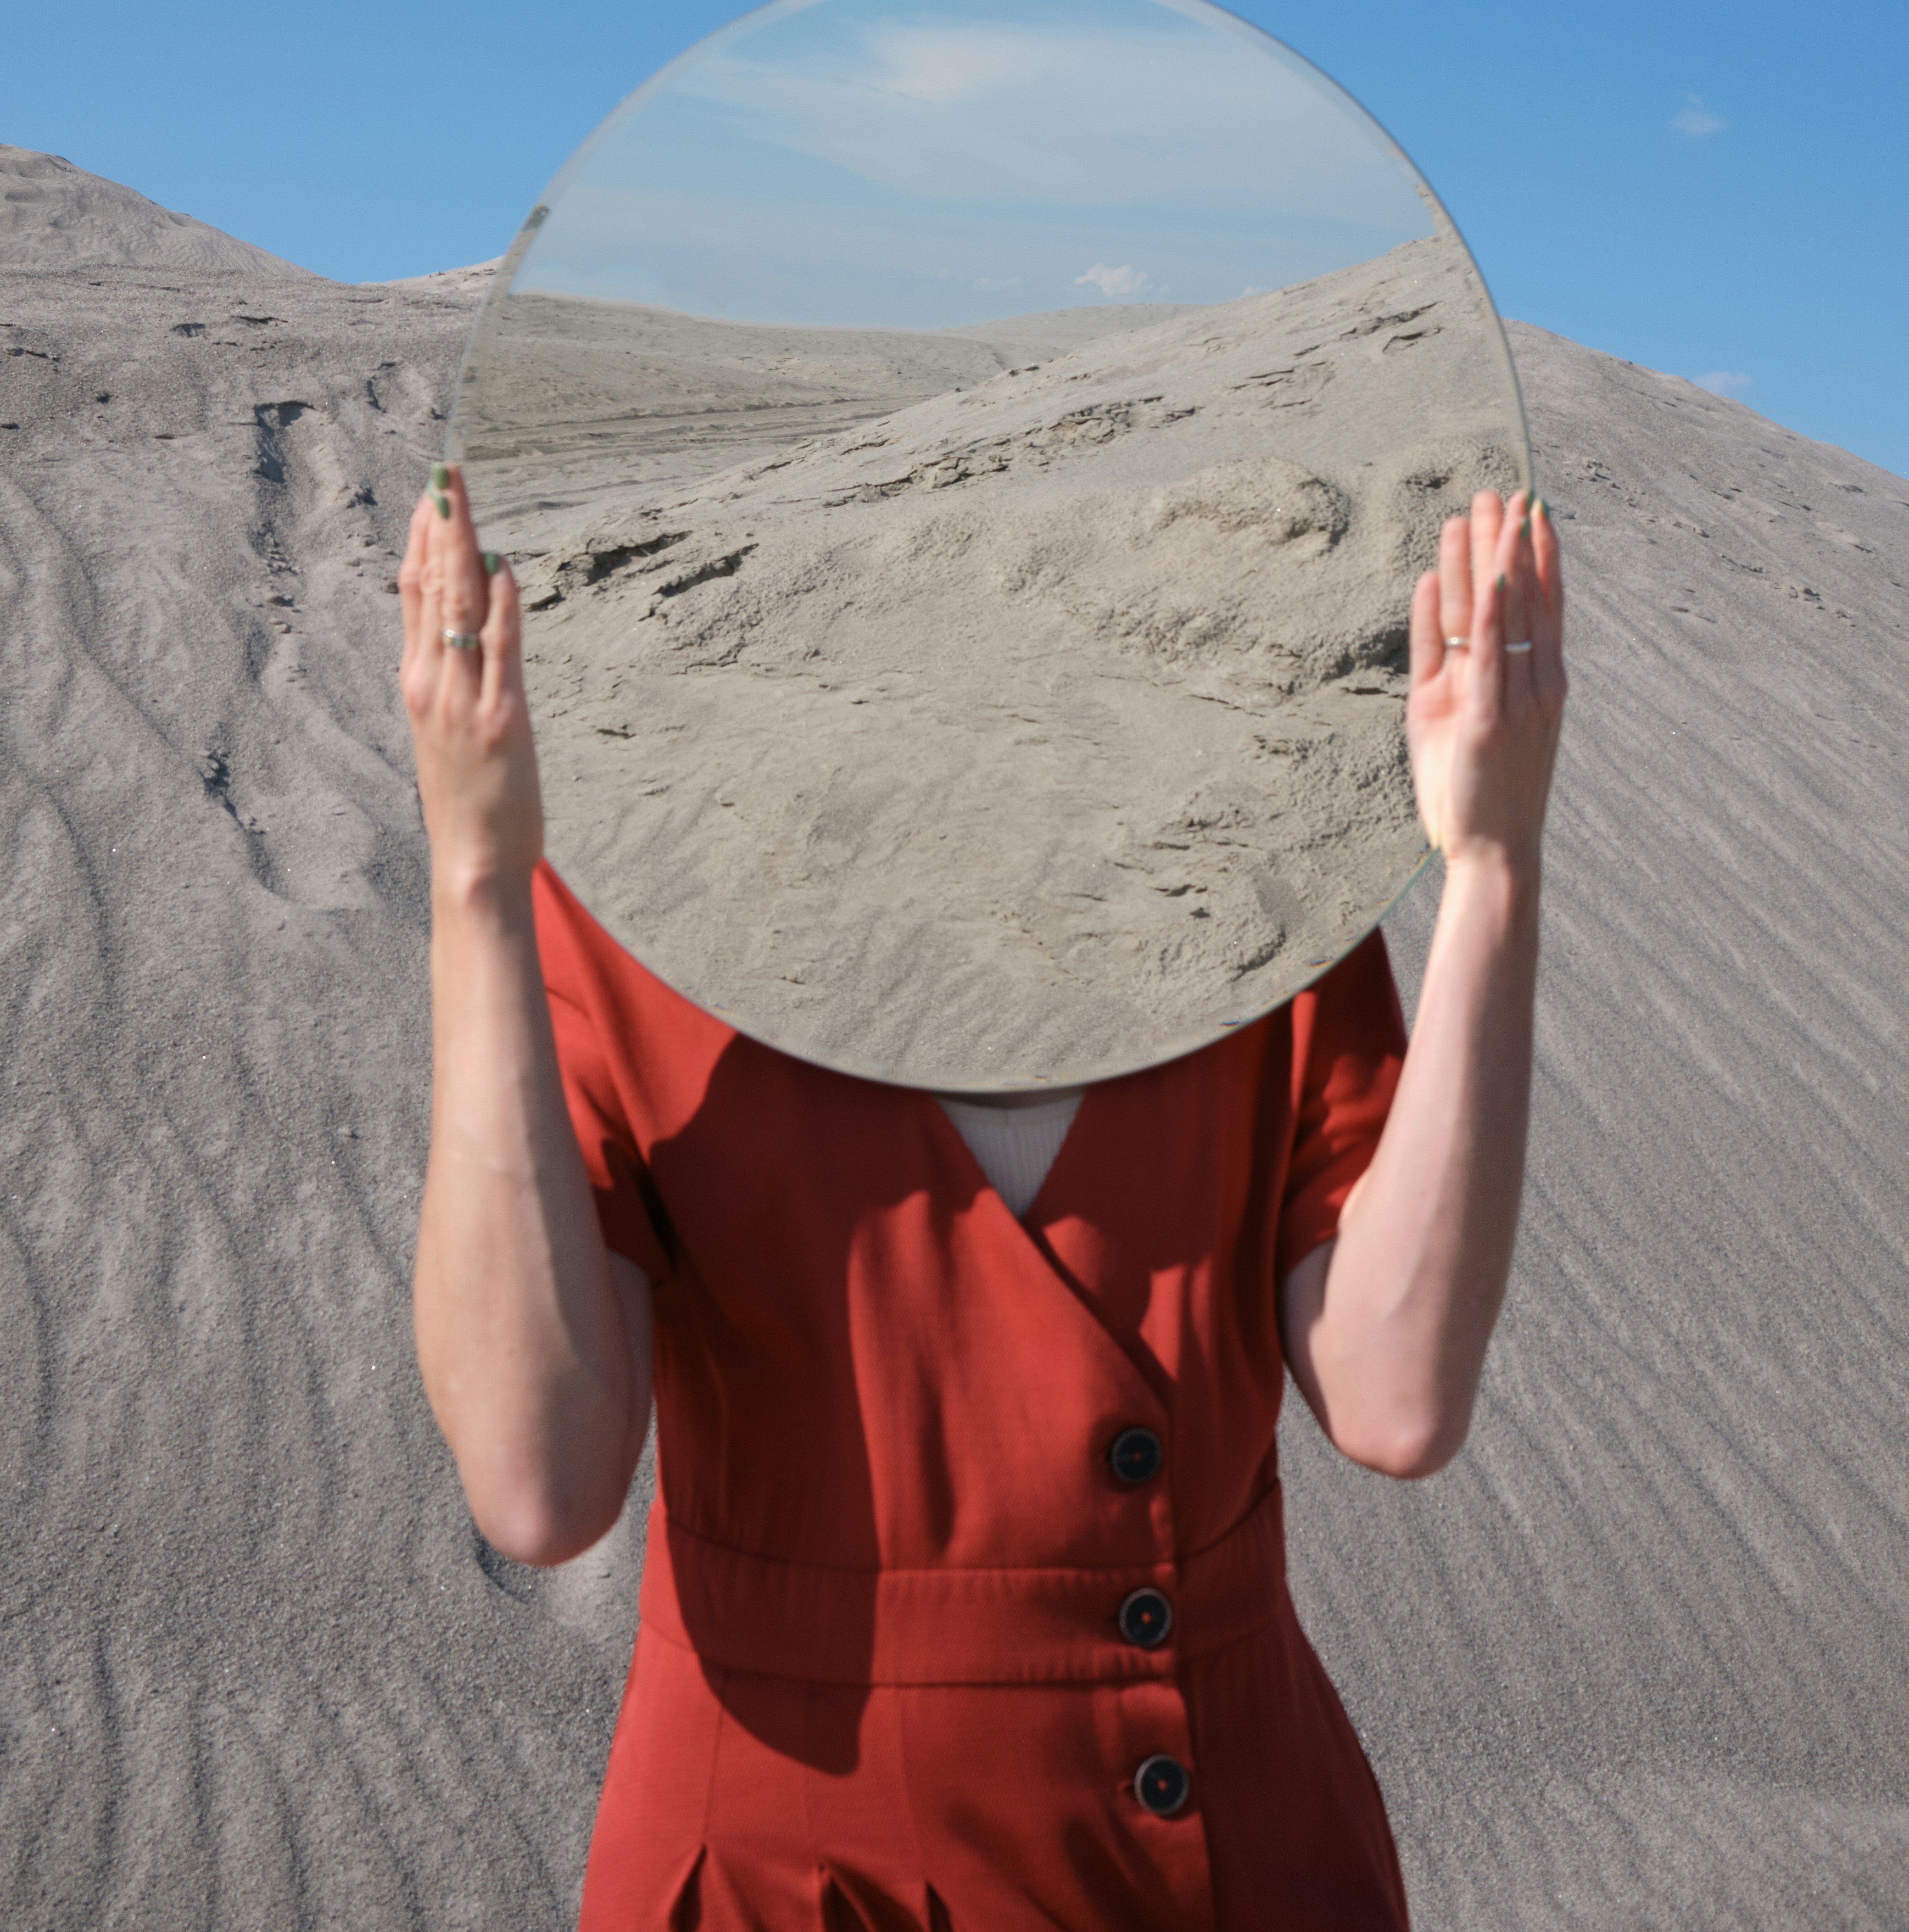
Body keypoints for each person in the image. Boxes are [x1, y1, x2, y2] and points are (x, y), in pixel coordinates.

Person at [403, 465, 1566, 1930]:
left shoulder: (1253, 890)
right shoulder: (632, 917)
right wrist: (478, 884)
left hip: (1236, 1854)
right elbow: (540, 1483)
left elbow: (1398, 1400)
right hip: (791, 1877)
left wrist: (1493, 867)